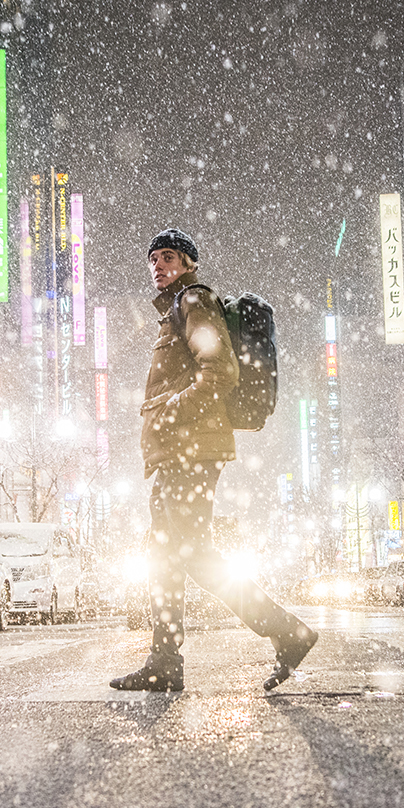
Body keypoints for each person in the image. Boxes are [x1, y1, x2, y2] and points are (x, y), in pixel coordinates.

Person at [110, 228, 317, 692]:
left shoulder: (194, 301)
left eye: (168, 257)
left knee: (192, 555)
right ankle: (166, 660)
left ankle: (285, 631)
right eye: (153, 259)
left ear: (188, 264)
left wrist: (170, 414)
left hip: (192, 450)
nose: (158, 265)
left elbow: (220, 369)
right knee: (166, 555)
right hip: (181, 451)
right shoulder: (175, 313)